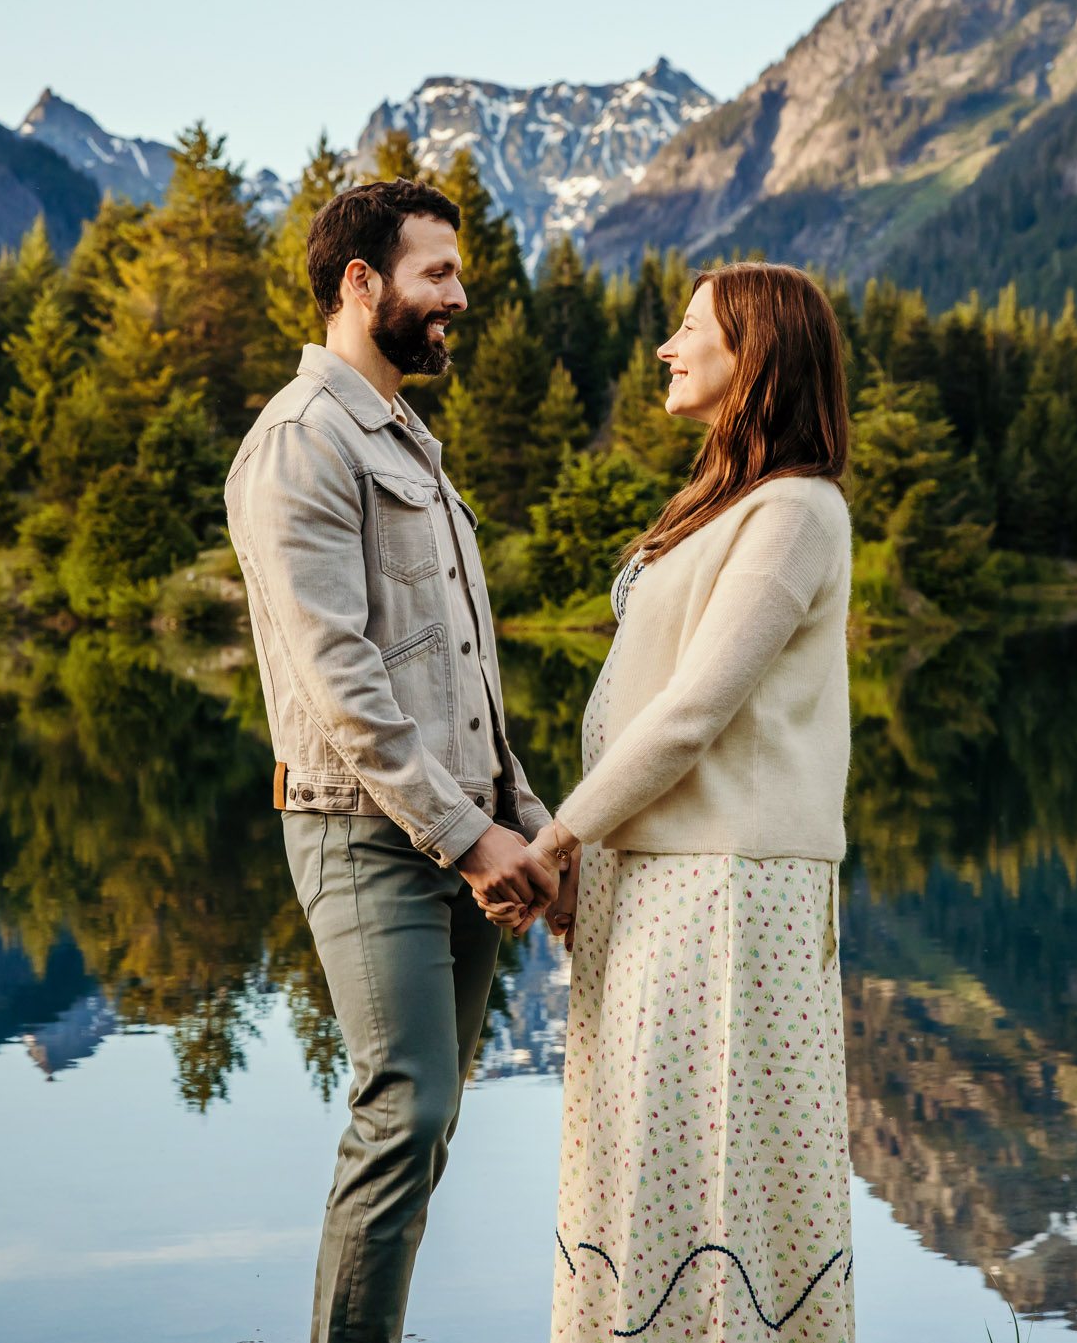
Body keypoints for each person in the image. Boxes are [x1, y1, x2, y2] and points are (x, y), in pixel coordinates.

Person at [224, 176, 563, 1343]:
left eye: (457, 275)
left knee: (432, 1114)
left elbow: (463, 671)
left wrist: (533, 821)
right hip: (363, 829)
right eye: (438, 274)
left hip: (466, 823)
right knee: (404, 1104)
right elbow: (345, 683)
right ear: (359, 282)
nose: (458, 298)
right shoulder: (297, 445)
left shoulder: (406, 438)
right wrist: (475, 841)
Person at [495, 262, 856, 1340]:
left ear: (756, 356)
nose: (666, 345)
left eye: (690, 327)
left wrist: (559, 835)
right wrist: (588, 859)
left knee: (711, 1174)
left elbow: (694, 710)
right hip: (662, 881)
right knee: (648, 1162)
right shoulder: (728, 500)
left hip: (729, 892)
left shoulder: (795, 511)